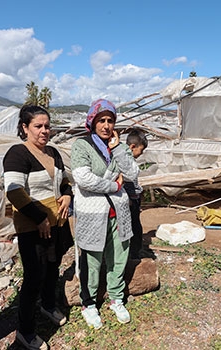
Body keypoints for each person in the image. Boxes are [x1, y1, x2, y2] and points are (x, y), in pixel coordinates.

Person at [2, 105, 73, 350]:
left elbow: (63, 181)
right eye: (38, 126)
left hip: (57, 222)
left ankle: (48, 305)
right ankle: (25, 331)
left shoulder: (53, 152)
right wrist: (38, 217)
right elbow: (14, 191)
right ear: (25, 127)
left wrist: (67, 195)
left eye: (47, 126)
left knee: (53, 267)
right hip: (33, 227)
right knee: (33, 277)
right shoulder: (17, 154)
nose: (44, 131)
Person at [71, 99, 139, 328]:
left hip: (118, 213)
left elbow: (132, 172)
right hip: (93, 215)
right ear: (92, 121)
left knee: (118, 258)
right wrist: (113, 185)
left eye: (110, 121)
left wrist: (118, 149)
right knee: (91, 260)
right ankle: (88, 304)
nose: (106, 125)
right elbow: (82, 178)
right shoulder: (82, 145)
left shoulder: (117, 147)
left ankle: (116, 298)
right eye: (102, 120)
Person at [124, 128, 148, 259]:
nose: (141, 153)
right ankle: (134, 253)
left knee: (134, 225)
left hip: (133, 198)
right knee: (134, 227)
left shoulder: (127, 159)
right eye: (141, 150)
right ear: (133, 147)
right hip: (129, 200)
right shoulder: (126, 161)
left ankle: (134, 251)